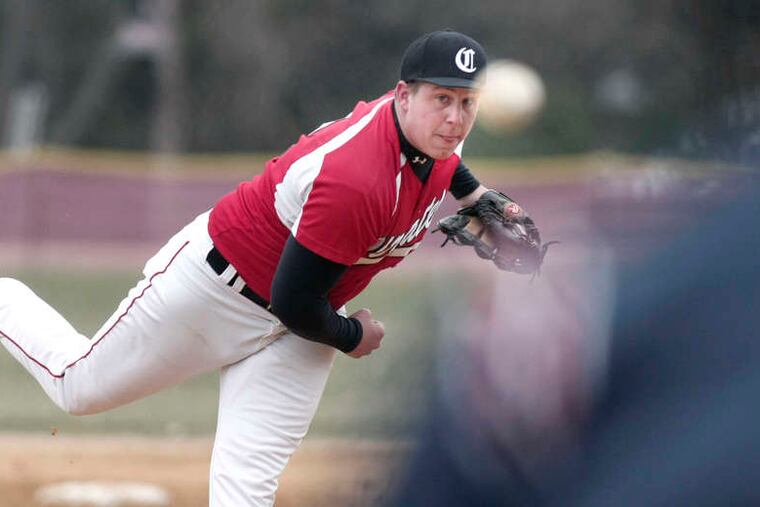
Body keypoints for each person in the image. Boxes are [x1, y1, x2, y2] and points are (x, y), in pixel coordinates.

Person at [0, 30, 493, 506]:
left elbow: (449, 163)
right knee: (77, 387)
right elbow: (294, 302)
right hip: (215, 292)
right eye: (441, 99)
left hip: (301, 323)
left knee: (247, 484)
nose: (454, 118)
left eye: (466, 102)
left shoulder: (438, 138)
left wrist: (478, 197)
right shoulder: (355, 181)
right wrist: (351, 337)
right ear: (404, 97)